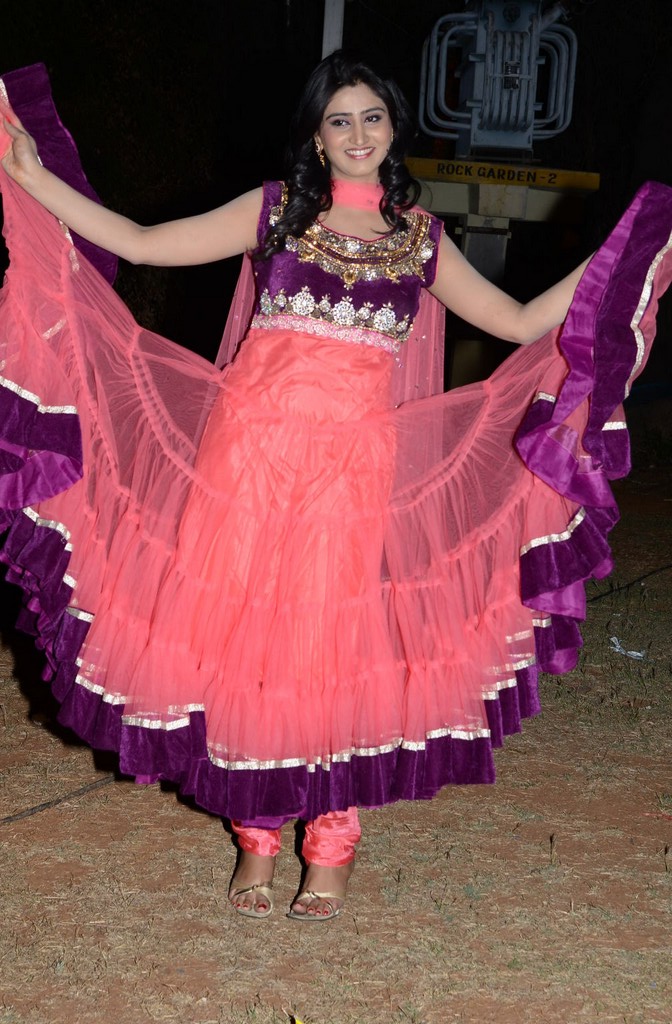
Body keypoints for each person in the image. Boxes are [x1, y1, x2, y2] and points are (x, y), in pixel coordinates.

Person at [0, 52, 670, 922]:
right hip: (246, 454)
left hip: (351, 467)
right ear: (317, 138)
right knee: (243, 638)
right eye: (340, 120)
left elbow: (513, 321)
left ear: (394, 129)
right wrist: (31, 178)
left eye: (372, 118)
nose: (358, 135)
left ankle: (333, 841)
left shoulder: (419, 238)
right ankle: (256, 831)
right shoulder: (275, 211)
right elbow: (140, 241)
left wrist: (619, 261)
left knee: (330, 642)